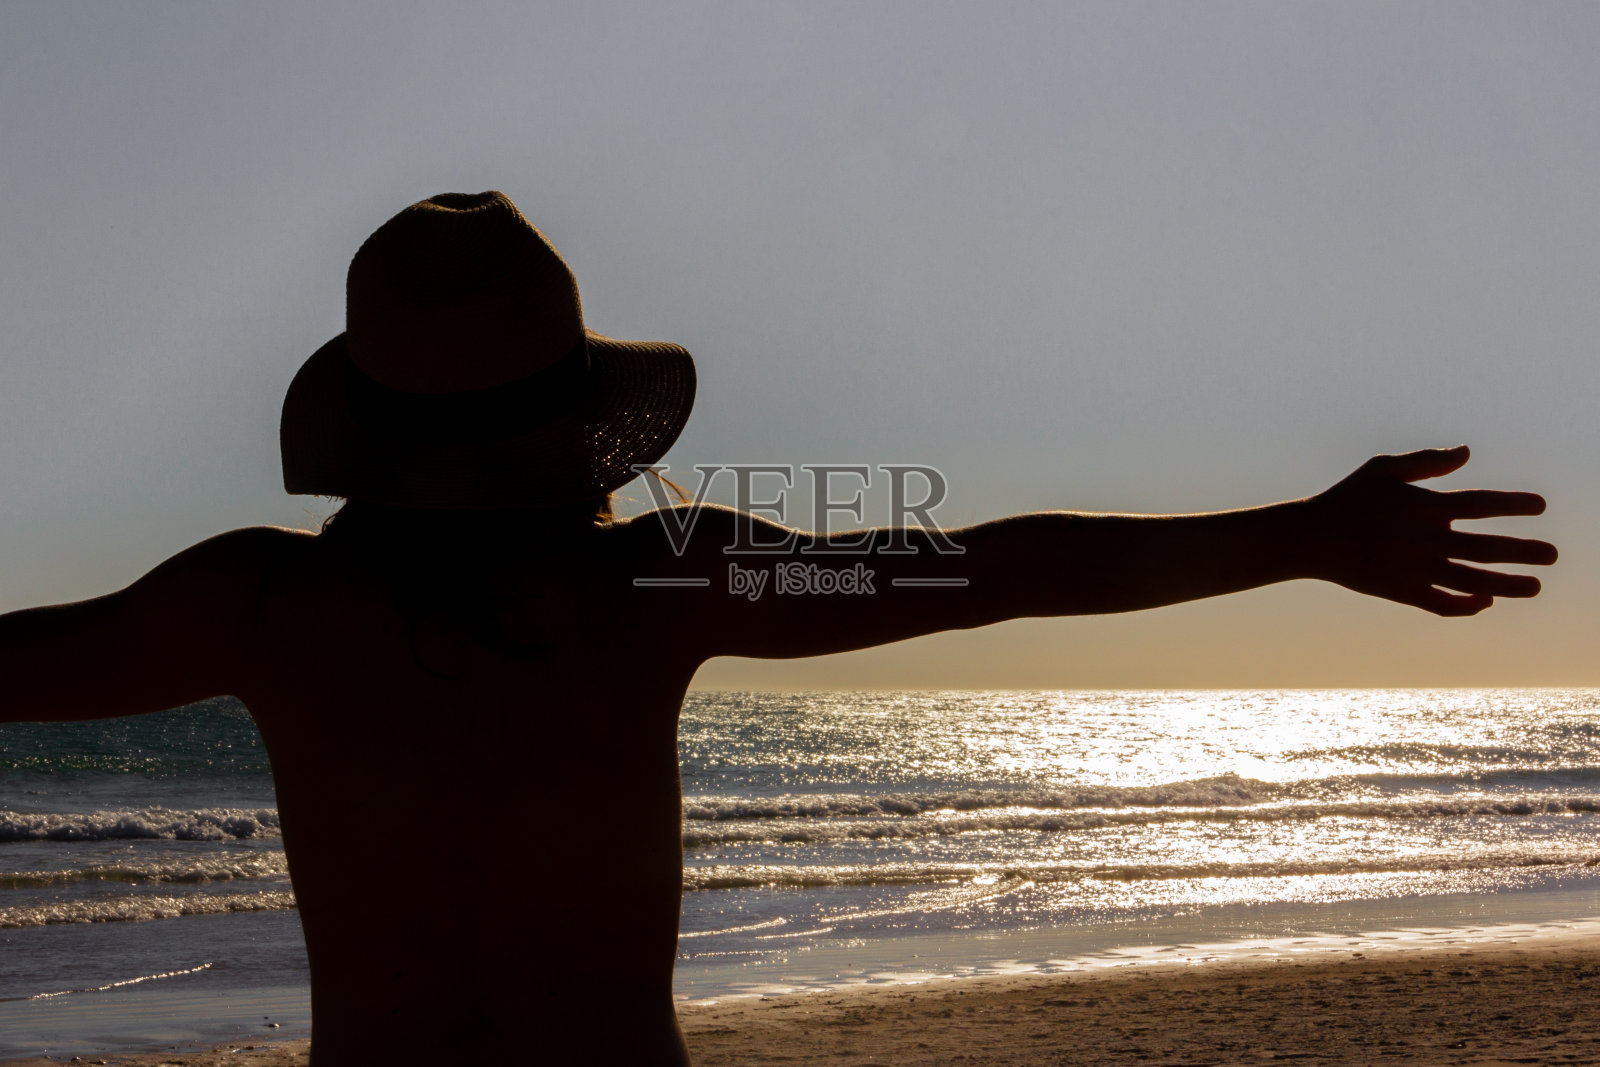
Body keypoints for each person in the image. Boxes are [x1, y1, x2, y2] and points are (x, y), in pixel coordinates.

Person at [0, 191, 1556, 1065]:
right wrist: (1305, 537)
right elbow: (1001, 568)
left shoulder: (263, 606)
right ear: (576, 425)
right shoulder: (655, 583)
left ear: (367, 422)